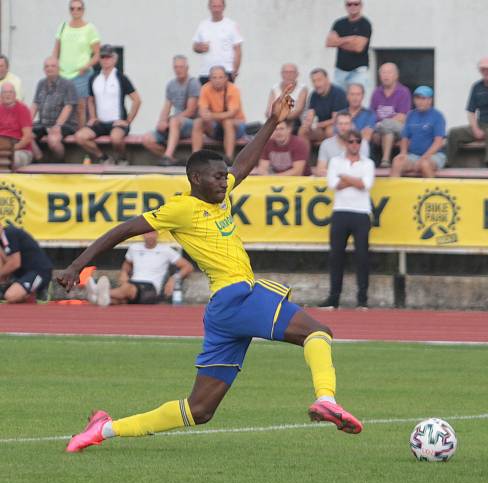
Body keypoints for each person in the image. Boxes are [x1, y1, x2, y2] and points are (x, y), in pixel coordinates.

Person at [57, 84, 363, 454]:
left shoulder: (219, 196)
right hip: (237, 297)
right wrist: (76, 265)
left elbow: (244, 164)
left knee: (199, 410)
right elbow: (124, 229)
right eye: (218, 177)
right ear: (196, 180)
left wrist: (270, 121)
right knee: (318, 332)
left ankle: (103, 429)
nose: (226, 181)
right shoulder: (181, 208)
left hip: (223, 310)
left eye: (225, 177)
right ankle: (326, 399)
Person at [320, 129, 374, 309]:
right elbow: (333, 185)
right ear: (345, 143)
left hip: (361, 212)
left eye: (358, 141)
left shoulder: (368, 163)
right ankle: (333, 298)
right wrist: (354, 180)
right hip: (340, 211)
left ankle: (362, 299)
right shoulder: (335, 161)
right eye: (351, 141)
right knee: (336, 256)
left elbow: (364, 185)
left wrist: (344, 176)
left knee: (362, 257)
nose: (354, 145)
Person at [86, 231, 194, 306]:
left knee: (128, 288)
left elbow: (188, 267)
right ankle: (99, 298)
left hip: (151, 288)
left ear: (157, 234)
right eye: (147, 233)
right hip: (134, 284)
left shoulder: (166, 250)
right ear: (142, 235)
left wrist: (173, 279)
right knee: (119, 300)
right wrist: (124, 273)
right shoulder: (134, 248)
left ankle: (98, 292)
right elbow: (127, 264)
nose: (149, 236)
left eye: (152, 233)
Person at [73, 47, 141, 165]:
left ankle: (123, 158)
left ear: (114, 59)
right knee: (80, 137)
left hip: (117, 122)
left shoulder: (121, 77)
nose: (105, 60)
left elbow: (137, 100)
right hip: (100, 123)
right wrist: (93, 117)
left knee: (116, 138)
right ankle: (103, 157)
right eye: (103, 57)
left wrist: (128, 120)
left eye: (108, 57)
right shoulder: (94, 78)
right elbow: (90, 99)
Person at [446, 57, 488, 168]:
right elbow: (471, 111)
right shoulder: (477, 87)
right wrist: (475, 129)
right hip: (482, 124)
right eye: (483, 69)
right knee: (453, 132)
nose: (486, 71)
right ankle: (448, 163)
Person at [143, 55, 201, 166]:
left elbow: (191, 111)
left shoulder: (193, 83)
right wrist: (161, 122)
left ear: (187, 68)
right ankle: (172, 160)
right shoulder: (171, 84)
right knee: (147, 139)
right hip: (174, 124)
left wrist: (171, 121)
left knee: (174, 121)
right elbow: (167, 106)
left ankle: (168, 156)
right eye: (176, 67)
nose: (178, 70)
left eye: (181, 67)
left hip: (191, 124)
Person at [52, 0, 101, 128]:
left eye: (79, 8)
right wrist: (53, 66)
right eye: (72, 8)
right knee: (61, 106)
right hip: (62, 74)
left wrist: (86, 66)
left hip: (81, 74)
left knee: (80, 106)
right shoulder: (62, 26)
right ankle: (62, 133)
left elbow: (97, 54)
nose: (75, 11)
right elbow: (56, 50)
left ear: (83, 10)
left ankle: (81, 133)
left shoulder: (90, 28)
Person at [192, 65, 246, 163]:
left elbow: (231, 113)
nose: (218, 80)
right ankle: (195, 157)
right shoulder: (205, 88)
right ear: (210, 79)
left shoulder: (233, 89)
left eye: (221, 77)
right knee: (198, 122)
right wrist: (204, 114)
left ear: (226, 78)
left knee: (227, 122)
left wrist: (211, 116)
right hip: (216, 126)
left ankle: (229, 158)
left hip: (237, 126)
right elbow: (202, 109)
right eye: (215, 77)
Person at [390, 86, 446, 178]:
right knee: (397, 161)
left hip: (434, 155)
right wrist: (403, 153)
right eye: (417, 98)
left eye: (423, 98)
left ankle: (433, 191)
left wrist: (424, 157)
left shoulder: (438, 116)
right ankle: (393, 191)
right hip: (413, 155)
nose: (419, 101)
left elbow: (438, 142)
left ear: (430, 100)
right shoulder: (410, 115)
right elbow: (405, 137)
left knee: (424, 164)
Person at [30, 56, 79, 161]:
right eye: (47, 66)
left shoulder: (68, 84)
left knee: (53, 140)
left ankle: (60, 163)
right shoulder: (41, 84)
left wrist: (57, 125)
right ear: (44, 69)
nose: (49, 68)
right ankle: (40, 159)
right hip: (43, 124)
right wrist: (27, 123)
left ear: (58, 68)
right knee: (26, 135)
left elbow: (68, 107)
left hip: (66, 124)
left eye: (53, 66)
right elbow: (35, 104)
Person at [370, 62, 411, 168]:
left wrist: (383, 123)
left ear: (396, 76)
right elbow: (372, 114)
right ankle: (384, 161)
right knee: (382, 132)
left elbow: (402, 117)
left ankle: (385, 160)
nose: (386, 76)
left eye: (389, 73)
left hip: (399, 128)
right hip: (381, 129)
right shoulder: (376, 92)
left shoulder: (403, 92)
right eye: (383, 73)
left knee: (387, 125)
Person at [0, 222, 53, 304]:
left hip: (39, 271)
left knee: (11, 296)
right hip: (22, 274)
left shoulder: (9, 233)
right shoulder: (2, 240)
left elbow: (14, 263)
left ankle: (41, 289)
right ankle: (25, 293)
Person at [192, 0, 243, 84]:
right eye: (214, 6)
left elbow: (238, 50)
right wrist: (200, 47)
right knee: (204, 97)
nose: (216, 10)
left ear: (224, 7)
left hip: (226, 72)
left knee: (225, 97)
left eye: (219, 6)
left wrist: (235, 70)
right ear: (209, 7)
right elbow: (194, 46)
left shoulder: (231, 25)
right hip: (206, 73)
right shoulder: (203, 25)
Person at [326, 0, 372, 90]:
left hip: (358, 71)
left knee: (356, 100)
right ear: (345, 6)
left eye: (356, 4)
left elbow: (358, 47)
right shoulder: (339, 23)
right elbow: (329, 43)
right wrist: (350, 39)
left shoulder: (365, 24)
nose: (352, 6)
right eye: (349, 4)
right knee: (339, 101)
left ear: (361, 5)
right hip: (340, 70)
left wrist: (338, 42)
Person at [299, 68, 347, 145]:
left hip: (338, 126)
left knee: (330, 130)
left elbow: (336, 119)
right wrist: (307, 123)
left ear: (327, 79)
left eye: (319, 80)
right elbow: (310, 114)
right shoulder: (314, 95)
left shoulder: (338, 93)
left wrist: (317, 125)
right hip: (321, 128)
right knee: (303, 130)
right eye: (314, 81)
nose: (316, 84)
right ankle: (304, 155)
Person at [0, 83, 34, 167]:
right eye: (5, 92)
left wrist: (10, 150)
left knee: (14, 160)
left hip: (20, 150)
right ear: (1, 96)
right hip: (2, 148)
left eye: (10, 92)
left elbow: (27, 137)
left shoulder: (23, 109)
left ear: (15, 95)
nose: (8, 95)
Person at [265, 63, 308, 130]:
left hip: (295, 122)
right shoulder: (274, 89)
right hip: (276, 122)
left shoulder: (302, 89)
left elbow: (298, 111)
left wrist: (279, 117)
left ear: (297, 74)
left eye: (291, 72)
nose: (288, 75)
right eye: (286, 72)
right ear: (281, 74)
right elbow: (268, 111)